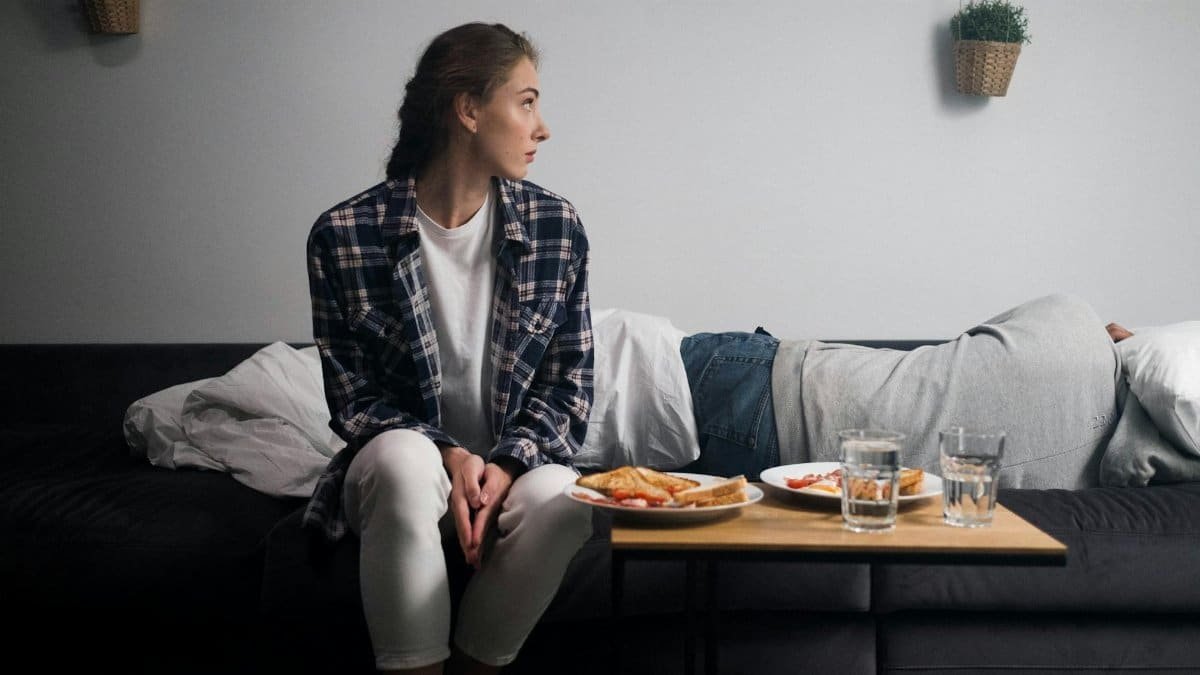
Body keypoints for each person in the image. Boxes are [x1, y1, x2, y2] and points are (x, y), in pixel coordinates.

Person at [303, 23, 593, 675]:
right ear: (468, 109)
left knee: (566, 498)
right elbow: (354, 401)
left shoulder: (557, 227)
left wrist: (508, 464)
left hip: (513, 476)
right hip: (402, 473)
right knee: (405, 461)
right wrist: (449, 452)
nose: (541, 127)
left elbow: (567, 390)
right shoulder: (344, 234)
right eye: (526, 101)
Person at [589, 295, 1153, 491]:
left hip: (765, 379)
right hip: (763, 388)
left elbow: (970, 341)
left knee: (549, 374)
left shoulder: (1069, 319)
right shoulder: (1106, 465)